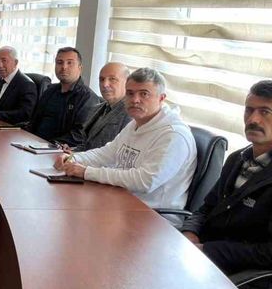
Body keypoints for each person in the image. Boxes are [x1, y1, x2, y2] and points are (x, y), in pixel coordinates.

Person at [54, 67, 197, 226]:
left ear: (161, 98)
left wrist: (86, 172)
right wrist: (74, 158)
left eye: (144, 94)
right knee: (64, 210)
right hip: (119, 203)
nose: (135, 100)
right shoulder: (136, 124)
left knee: (76, 222)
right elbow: (106, 153)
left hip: (153, 219)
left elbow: (145, 181)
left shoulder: (174, 135)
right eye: (130, 93)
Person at [182, 80, 272, 276]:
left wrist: (208, 250)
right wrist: (190, 232)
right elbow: (207, 207)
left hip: (243, 276)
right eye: (249, 110)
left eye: (265, 112)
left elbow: (268, 253)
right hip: (202, 257)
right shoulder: (237, 158)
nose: (253, 119)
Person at [26, 47, 99, 147]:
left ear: (80, 68)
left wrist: (49, 145)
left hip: (56, 149)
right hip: (33, 144)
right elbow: (34, 121)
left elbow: (79, 135)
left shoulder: (87, 98)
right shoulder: (50, 90)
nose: (64, 67)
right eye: (59, 62)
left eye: (70, 63)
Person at [74, 62, 132, 151]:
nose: (105, 84)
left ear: (127, 83)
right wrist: (73, 152)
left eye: (112, 79)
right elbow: (87, 145)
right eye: (102, 79)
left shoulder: (131, 114)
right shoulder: (96, 108)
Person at [0, 46, 37, 124]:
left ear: (15, 62)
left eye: (4, 60)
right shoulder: (0, 79)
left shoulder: (27, 84)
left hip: (8, 128)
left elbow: (25, 114)